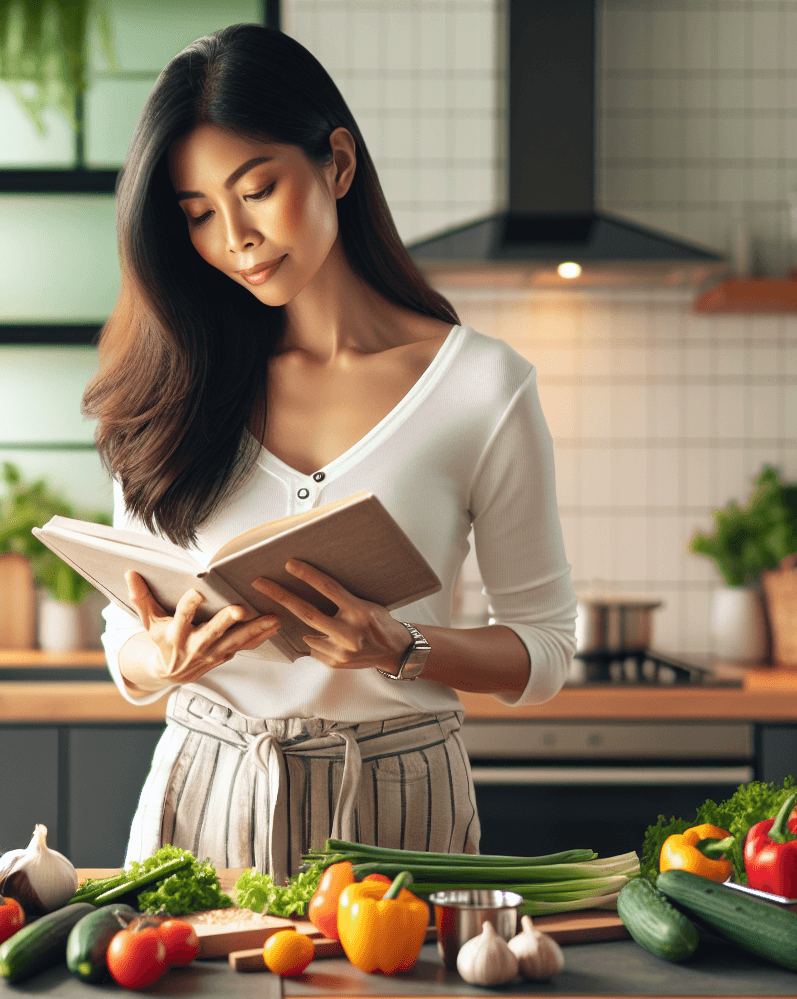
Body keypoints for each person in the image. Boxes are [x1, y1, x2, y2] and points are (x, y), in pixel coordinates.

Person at [82, 24, 577, 883]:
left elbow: (546, 648)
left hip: (397, 813)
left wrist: (402, 648)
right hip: (204, 795)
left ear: (337, 164)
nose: (233, 237)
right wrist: (160, 658)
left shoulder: (481, 387)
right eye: (198, 214)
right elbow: (125, 633)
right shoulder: (170, 387)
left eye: (258, 189)